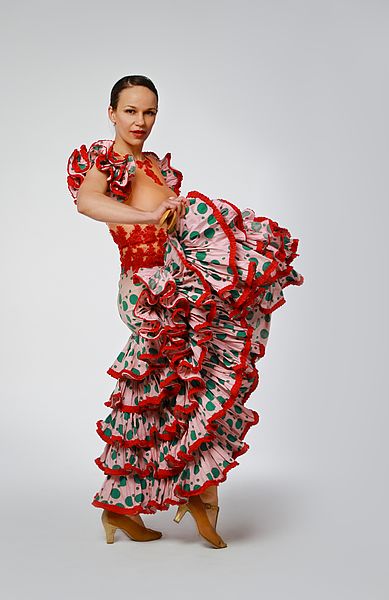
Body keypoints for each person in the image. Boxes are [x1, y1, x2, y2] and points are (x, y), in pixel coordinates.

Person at [66, 74, 304, 549]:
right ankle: (189, 493)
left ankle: (144, 502)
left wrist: (178, 218)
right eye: (131, 110)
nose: (140, 121)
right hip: (146, 290)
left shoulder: (154, 165)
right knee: (173, 392)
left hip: (177, 284)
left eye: (149, 112)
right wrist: (151, 216)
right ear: (111, 112)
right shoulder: (105, 160)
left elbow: (173, 225)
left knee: (176, 397)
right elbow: (88, 202)